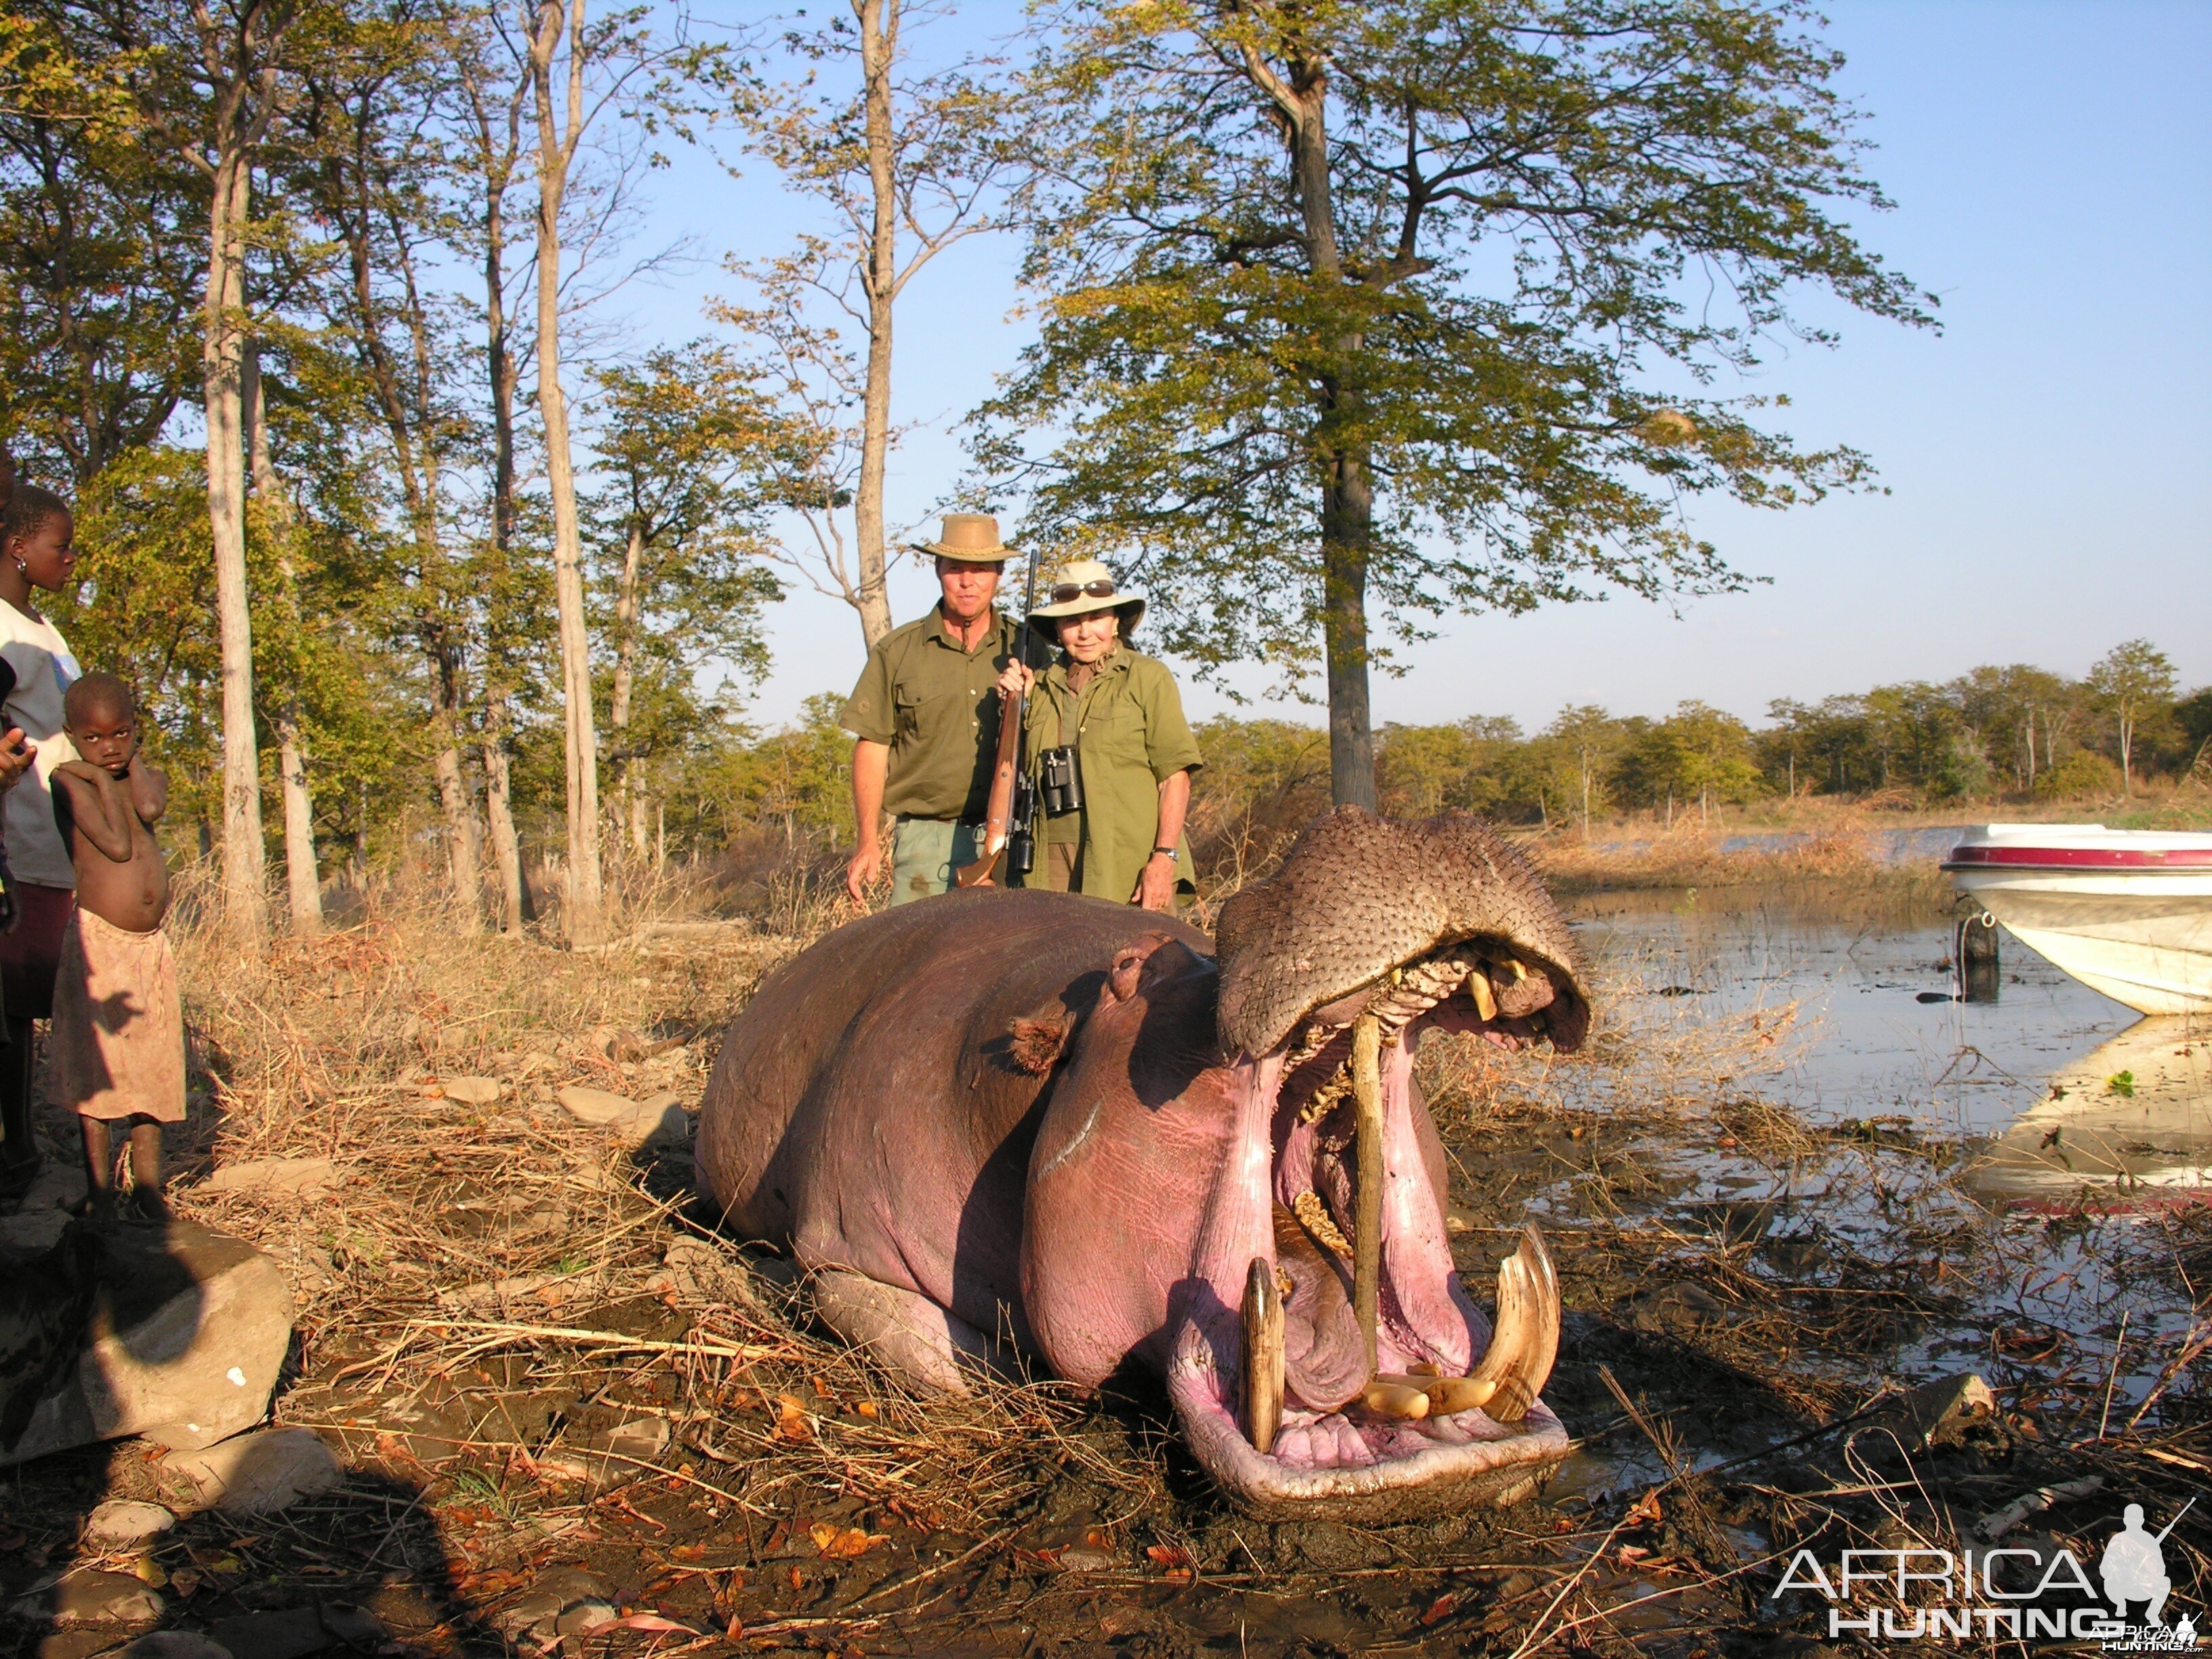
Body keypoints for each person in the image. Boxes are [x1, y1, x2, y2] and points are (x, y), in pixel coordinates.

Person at [841, 514, 1040, 905]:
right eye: (955, 569)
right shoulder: (898, 651)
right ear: (938, 570)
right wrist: (867, 842)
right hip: (923, 840)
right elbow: (872, 746)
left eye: (981, 570)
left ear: (999, 574)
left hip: (1016, 838)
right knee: (918, 962)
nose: (968, 582)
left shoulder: (1029, 645)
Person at [995, 558, 1200, 912]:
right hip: (1049, 866)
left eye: (1096, 618)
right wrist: (1011, 702)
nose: (1085, 632)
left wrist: (1164, 859)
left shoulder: (1147, 677)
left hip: (1126, 865)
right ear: (1058, 629)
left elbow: (1174, 778)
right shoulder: (1038, 687)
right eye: (1073, 621)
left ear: (1116, 621)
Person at [48, 674, 180, 1222]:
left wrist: (132, 765)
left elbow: (148, 809)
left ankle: (148, 1188)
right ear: (72, 736)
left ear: (136, 731)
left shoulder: (134, 774)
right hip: (100, 943)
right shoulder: (67, 781)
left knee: (152, 1061)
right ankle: (100, 1193)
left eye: (122, 734)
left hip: (148, 946)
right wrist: (103, 781)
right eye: (94, 739)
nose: (109, 748)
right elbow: (118, 843)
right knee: (95, 1068)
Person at [0, 482, 77, 1197]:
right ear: (19, 547)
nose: (71, 558)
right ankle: (16, 1145)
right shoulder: (4, 628)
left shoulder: (44, 628)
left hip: (58, 839)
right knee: (15, 1004)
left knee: (32, 1003)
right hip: (21, 839)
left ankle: (27, 1143)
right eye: (61, 546)